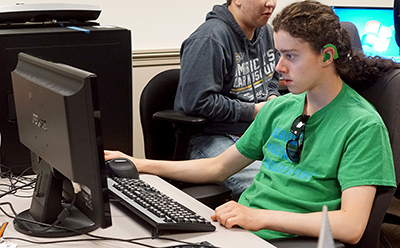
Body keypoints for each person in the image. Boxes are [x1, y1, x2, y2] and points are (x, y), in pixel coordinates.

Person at [105, 0, 398, 244]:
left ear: (327, 56)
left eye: (290, 56)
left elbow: (352, 225)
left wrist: (260, 217)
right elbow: (217, 167)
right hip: (241, 232)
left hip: (286, 239)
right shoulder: (282, 108)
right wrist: (137, 163)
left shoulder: (362, 126)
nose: (278, 67)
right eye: (279, 54)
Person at [174, 0, 281, 199]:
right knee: (270, 191)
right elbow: (198, 102)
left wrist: (272, 96)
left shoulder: (267, 32)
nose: (271, 4)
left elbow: (273, 76)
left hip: (255, 132)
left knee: (301, 181)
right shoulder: (209, 39)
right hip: (211, 136)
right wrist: (254, 110)